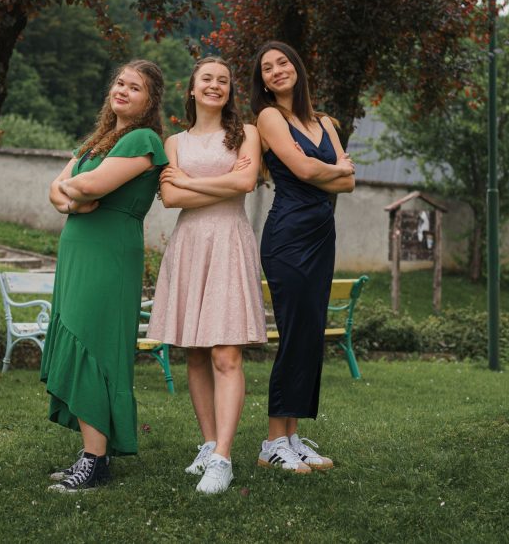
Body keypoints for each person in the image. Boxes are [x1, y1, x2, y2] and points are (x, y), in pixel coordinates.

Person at [40, 59, 168, 493]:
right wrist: (72, 201)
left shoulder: (143, 139)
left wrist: (75, 193)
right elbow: (56, 190)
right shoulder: (98, 140)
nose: (123, 90)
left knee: (93, 344)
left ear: (150, 101)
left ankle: (95, 461)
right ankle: (93, 452)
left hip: (109, 252)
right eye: (120, 82)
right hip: (79, 250)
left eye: (135, 87)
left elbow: (89, 186)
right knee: (77, 337)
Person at [148, 57, 266, 495]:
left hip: (229, 242)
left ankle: (223, 460)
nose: (216, 85)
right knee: (195, 352)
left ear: (230, 90)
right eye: (207, 79)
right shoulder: (174, 142)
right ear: (192, 89)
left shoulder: (247, 133)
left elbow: (245, 183)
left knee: (226, 354)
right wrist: (220, 181)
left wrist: (190, 183)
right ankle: (209, 443)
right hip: (191, 244)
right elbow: (168, 196)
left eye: (223, 80)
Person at [250, 41, 355, 473]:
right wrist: (337, 169)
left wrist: (334, 174)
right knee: (294, 334)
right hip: (287, 237)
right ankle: (272, 442)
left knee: (310, 334)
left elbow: (349, 184)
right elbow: (308, 170)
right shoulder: (269, 117)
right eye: (267, 68)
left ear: (297, 67)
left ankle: (292, 438)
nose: (277, 70)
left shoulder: (325, 122)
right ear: (263, 81)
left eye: (283, 62)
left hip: (321, 236)